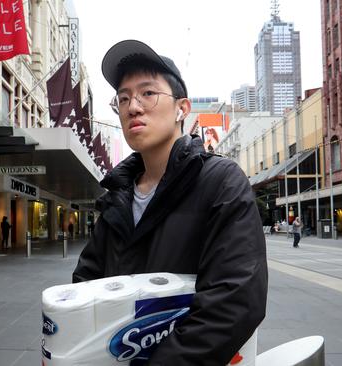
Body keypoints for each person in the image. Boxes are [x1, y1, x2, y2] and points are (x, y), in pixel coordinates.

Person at [72, 40, 267, 365]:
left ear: (182, 108)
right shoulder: (117, 197)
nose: (133, 106)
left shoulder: (220, 181)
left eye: (148, 93)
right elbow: (85, 285)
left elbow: (235, 300)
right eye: (123, 98)